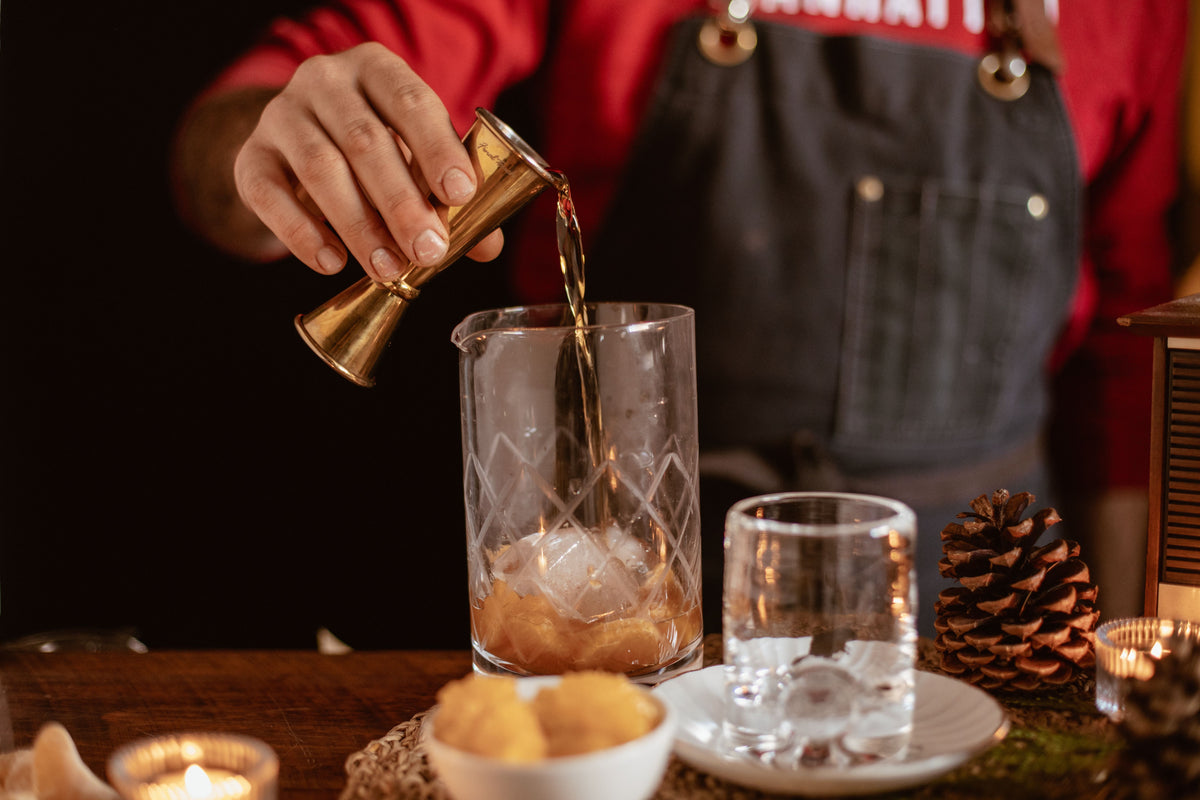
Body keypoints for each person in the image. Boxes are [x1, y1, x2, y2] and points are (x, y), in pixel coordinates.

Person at [171, 0, 1184, 641]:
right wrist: (276, 148)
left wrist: (1121, 659)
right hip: (620, 619)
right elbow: (223, 163)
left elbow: (1124, 354)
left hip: (981, 622)